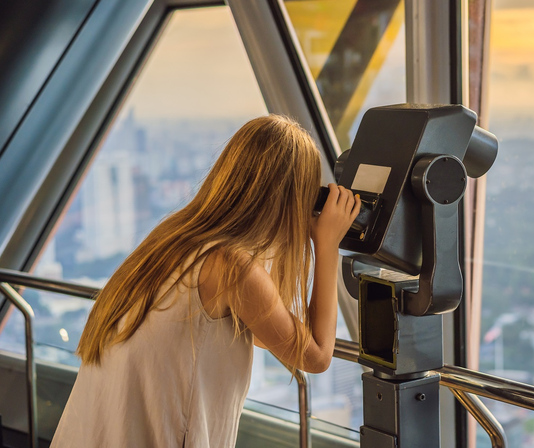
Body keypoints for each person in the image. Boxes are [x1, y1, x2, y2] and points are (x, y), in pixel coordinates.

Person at [51, 115, 361, 448]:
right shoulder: (231, 266)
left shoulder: (172, 238)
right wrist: (326, 244)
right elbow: (316, 356)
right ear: (291, 201)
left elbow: (263, 332)